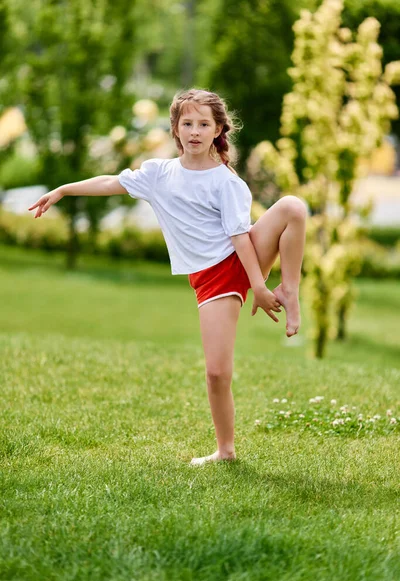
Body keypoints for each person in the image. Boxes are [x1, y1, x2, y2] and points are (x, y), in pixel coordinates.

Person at [28, 89, 307, 466]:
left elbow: (240, 235)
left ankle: (289, 289)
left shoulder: (226, 182)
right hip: (212, 280)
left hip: (243, 256)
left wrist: (259, 285)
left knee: (293, 206)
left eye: (203, 124)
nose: (194, 131)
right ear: (175, 129)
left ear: (218, 130)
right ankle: (225, 451)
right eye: (187, 123)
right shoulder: (159, 174)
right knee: (217, 372)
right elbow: (111, 182)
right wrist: (63, 190)